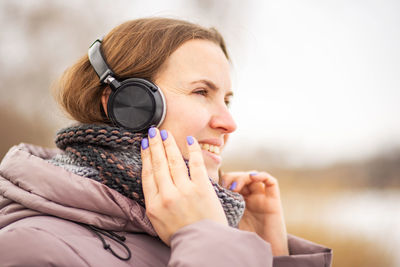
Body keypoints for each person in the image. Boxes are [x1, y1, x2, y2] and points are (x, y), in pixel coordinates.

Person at [0, 17, 332, 266]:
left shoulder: (191, 231)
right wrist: (211, 237)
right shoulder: (30, 249)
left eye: (227, 101)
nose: (229, 123)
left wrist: (269, 250)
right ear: (127, 103)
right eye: (201, 92)